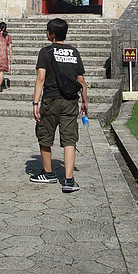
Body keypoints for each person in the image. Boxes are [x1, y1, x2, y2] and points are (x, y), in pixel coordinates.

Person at [30, 18, 88, 193]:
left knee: (45, 136)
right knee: (69, 139)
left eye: (47, 31)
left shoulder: (45, 52)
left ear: (52, 34)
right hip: (70, 101)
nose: (46, 33)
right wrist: (85, 101)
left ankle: (48, 174)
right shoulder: (74, 52)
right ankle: (69, 180)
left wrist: (35, 103)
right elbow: (81, 80)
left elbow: (40, 79)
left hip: (51, 100)